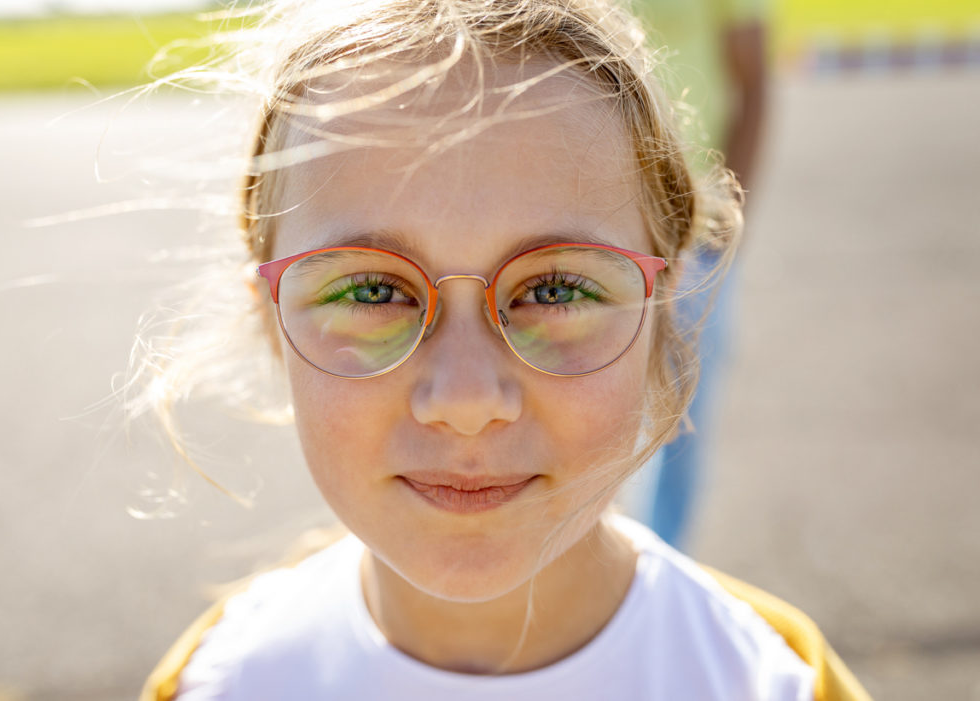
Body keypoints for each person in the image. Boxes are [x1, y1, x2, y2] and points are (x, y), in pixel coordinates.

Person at [130, 1, 868, 699]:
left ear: (664, 306)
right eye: (369, 291)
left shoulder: (775, 678)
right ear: (271, 321)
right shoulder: (215, 681)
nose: (465, 398)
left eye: (553, 290)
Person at [620, 0, 770, 550]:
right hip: (587, 227)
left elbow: (753, 82)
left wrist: (727, 223)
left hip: (693, 228)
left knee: (679, 419)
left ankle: (659, 565)